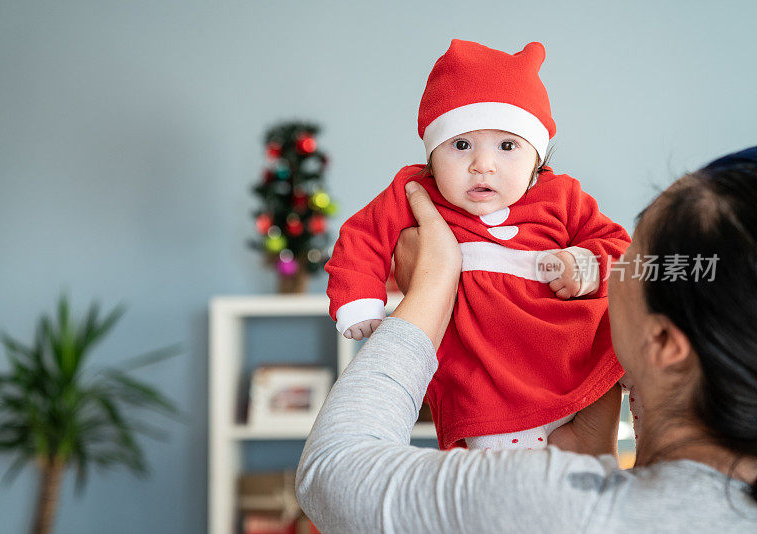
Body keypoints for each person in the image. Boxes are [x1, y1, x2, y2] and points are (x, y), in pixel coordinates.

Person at [296, 147, 757, 532]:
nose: (614, 272)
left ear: (662, 342)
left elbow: (333, 474)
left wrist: (434, 284)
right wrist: (596, 458)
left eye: (632, 262)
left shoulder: (566, 505)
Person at [325, 39, 632, 452]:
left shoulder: (562, 196)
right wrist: (360, 302)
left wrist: (585, 263)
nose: (482, 165)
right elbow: (361, 238)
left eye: (507, 146)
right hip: (481, 382)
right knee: (498, 489)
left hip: (567, 357)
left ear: (536, 159)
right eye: (461, 145)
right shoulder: (414, 191)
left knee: (585, 474)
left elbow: (618, 246)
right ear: (431, 157)